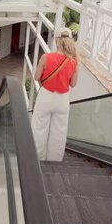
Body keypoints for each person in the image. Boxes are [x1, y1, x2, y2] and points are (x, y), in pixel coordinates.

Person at [31, 27, 79, 161]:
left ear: (56, 40)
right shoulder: (74, 62)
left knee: (39, 128)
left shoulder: (46, 57)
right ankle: (54, 161)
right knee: (59, 132)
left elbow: (36, 76)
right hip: (62, 100)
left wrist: (44, 81)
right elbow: (73, 84)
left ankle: (37, 158)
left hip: (46, 96)